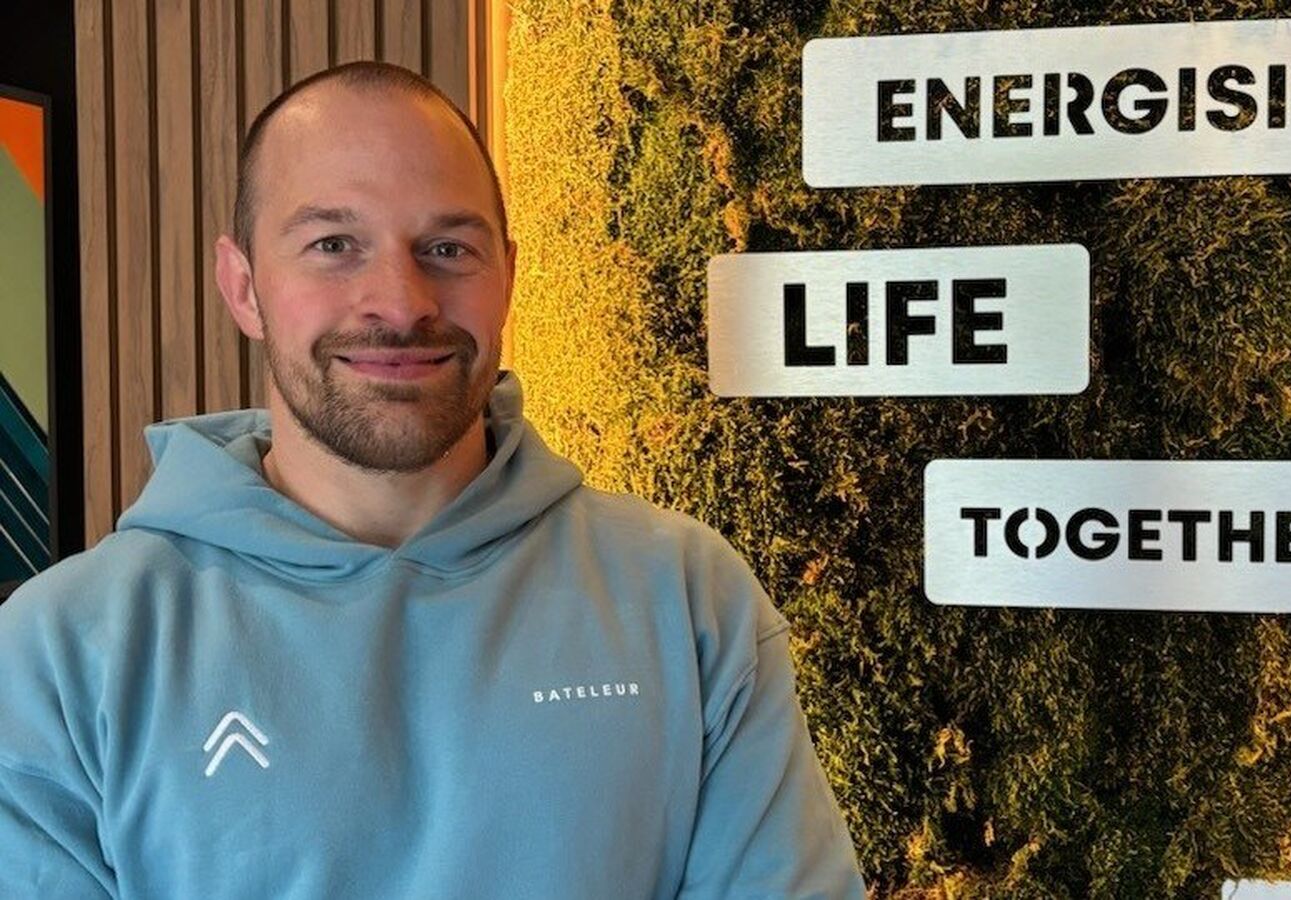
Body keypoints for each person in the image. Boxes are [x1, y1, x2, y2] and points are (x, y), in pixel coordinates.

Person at [0, 61, 866, 898]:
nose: (402, 300)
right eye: (333, 245)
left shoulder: (685, 598)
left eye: (448, 247)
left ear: (508, 277)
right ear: (244, 286)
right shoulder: (64, 653)